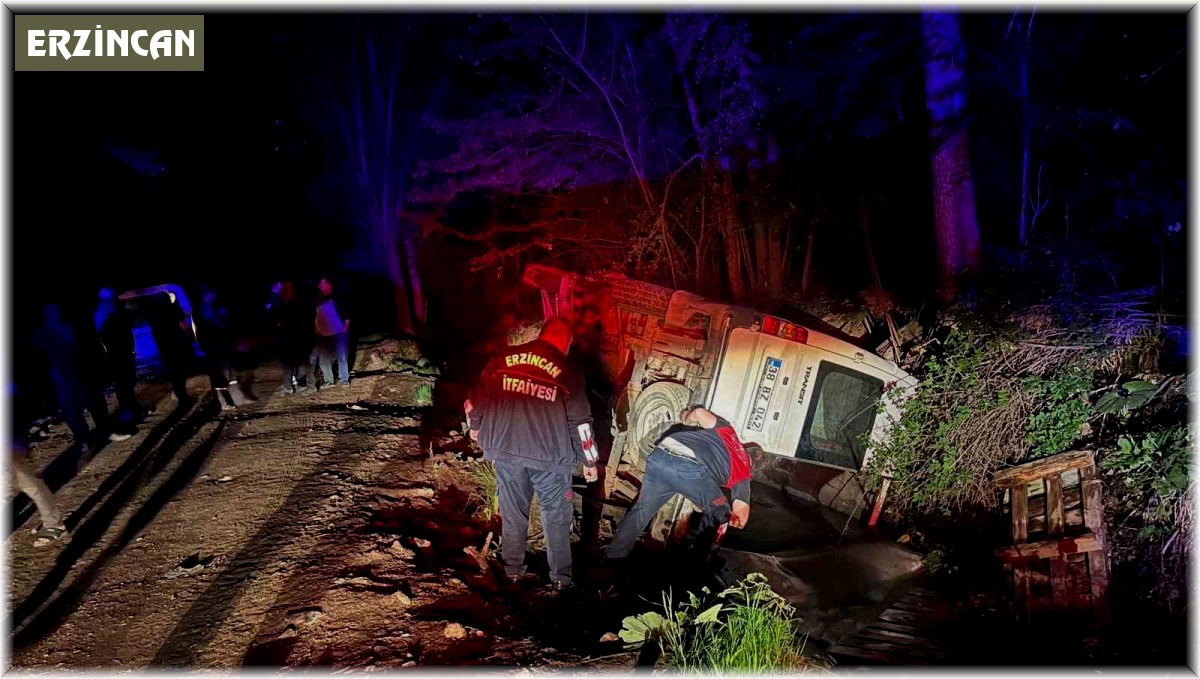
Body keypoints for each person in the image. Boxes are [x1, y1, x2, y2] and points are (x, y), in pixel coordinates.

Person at [467, 316, 600, 591]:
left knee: (513, 512)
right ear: (566, 342)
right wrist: (590, 460)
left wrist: (476, 428)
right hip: (550, 459)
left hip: (506, 451)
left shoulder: (502, 359)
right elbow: (582, 422)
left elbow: (478, 399)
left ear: (542, 334)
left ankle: (513, 571)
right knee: (556, 517)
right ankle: (560, 580)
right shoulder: (569, 372)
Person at [604, 405, 752, 562]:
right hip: (686, 467)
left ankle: (612, 557)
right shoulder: (744, 472)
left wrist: (686, 420)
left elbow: (699, 413)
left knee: (641, 511)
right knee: (720, 512)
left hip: (659, 455)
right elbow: (741, 518)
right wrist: (729, 516)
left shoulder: (729, 432)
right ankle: (699, 563)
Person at [33, 303, 113, 460]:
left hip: (82, 372)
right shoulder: (42, 334)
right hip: (62, 378)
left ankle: (105, 429)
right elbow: (38, 358)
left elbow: (89, 345)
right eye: (51, 311)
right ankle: (84, 438)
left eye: (57, 311)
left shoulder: (73, 327)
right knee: (72, 411)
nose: (55, 314)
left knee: (95, 401)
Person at [94, 287, 144, 435]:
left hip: (125, 350)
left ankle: (133, 408)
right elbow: (99, 332)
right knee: (123, 384)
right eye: (109, 296)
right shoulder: (102, 311)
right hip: (116, 352)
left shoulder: (116, 308)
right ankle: (127, 414)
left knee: (129, 381)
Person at [268, 281, 314, 395]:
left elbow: (302, 320)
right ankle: (288, 385)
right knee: (288, 363)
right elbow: (276, 318)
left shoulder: (298, 304)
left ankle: (306, 384)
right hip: (288, 338)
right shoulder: (284, 303)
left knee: (302, 362)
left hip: (297, 337)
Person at [195, 286, 237, 410]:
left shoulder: (207, 307)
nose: (214, 295)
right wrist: (227, 328)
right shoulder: (205, 308)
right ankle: (223, 402)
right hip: (213, 345)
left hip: (214, 345)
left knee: (219, 372)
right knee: (218, 373)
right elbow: (218, 323)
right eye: (212, 293)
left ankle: (223, 401)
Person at [313, 277, 350, 388]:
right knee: (324, 360)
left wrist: (345, 327)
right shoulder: (318, 300)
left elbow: (347, 313)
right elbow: (316, 316)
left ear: (328, 284)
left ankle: (344, 379)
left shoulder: (338, 297)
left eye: (322, 284)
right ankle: (329, 380)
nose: (319, 286)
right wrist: (316, 328)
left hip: (338, 332)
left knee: (341, 357)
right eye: (319, 284)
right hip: (322, 334)